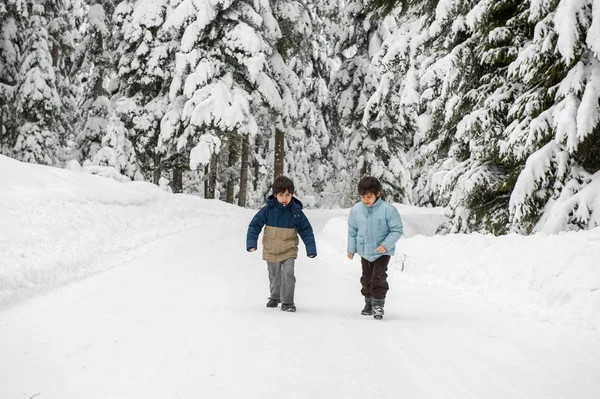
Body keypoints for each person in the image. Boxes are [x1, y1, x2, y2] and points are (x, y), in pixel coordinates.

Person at [247, 176, 317, 312]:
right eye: (281, 195)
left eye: (288, 195)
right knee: (274, 275)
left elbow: (306, 230)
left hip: (289, 249)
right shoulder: (267, 210)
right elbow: (254, 225)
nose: (285, 198)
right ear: (275, 195)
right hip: (271, 248)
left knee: (288, 273)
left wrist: (311, 248)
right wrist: (251, 243)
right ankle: (274, 296)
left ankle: (288, 302)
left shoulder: (296, 212)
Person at [347, 176, 403, 319]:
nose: (366, 200)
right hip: (365, 251)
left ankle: (378, 304)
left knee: (378, 276)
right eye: (363, 197)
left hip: (382, 252)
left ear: (378, 194)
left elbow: (397, 230)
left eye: (369, 196)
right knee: (366, 278)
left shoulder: (388, 210)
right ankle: (368, 302)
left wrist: (385, 245)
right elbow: (352, 231)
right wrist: (351, 249)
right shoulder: (356, 210)